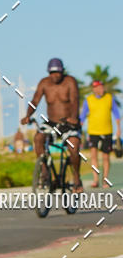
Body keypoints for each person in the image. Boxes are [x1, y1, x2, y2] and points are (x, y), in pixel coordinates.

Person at [20, 58, 83, 191]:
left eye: (58, 73)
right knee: (38, 138)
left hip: (69, 122)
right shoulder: (44, 83)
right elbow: (34, 101)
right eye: (52, 73)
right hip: (52, 122)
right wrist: (28, 115)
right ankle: (44, 172)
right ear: (48, 73)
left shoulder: (70, 81)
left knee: (74, 146)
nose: (55, 76)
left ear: (62, 72)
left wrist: (73, 118)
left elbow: (75, 100)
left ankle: (77, 178)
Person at [80, 80, 121, 187]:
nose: (101, 89)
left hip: (107, 131)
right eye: (98, 87)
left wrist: (119, 129)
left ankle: (105, 179)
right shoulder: (88, 100)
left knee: (106, 157)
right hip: (93, 132)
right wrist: (79, 128)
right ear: (94, 89)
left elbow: (116, 114)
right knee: (93, 156)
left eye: (102, 87)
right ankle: (95, 180)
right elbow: (83, 116)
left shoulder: (109, 98)